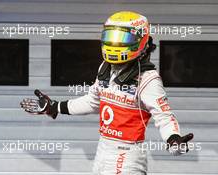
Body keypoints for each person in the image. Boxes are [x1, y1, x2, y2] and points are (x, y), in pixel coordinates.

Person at [20, 11, 193, 175]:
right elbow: (93, 102)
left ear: (140, 41)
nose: (114, 44)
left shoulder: (148, 79)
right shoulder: (106, 68)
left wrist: (173, 138)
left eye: (122, 38)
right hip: (103, 148)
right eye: (110, 37)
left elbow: (163, 115)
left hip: (127, 153)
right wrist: (55, 107)